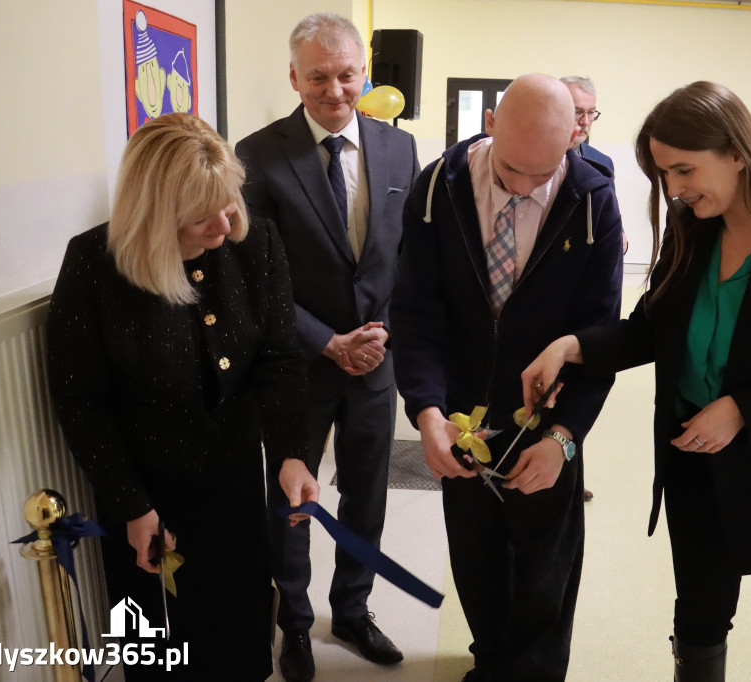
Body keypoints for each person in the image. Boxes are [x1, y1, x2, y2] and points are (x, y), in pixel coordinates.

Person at [521, 81, 751, 681]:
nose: (673, 189)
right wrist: (572, 346)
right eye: (664, 173)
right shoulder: (693, 229)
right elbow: (650, 330)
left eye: (684, 170)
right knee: (698, 612)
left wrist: (743, 408)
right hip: (695, 462)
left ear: (738, 153)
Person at [46, 113, 321, 681]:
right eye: (202, 215)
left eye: (229, 203)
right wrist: (131, 505)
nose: (225, 224)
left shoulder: (256, 242)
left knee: (238, 632)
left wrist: (291, 452)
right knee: (155, 645)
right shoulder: (95, 262)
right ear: (155, 211)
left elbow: (279, 359)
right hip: (143, 488)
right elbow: (80, 400)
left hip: (233, 478)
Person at [391, 73, 623, 682]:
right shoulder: (437, 189)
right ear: (490, 123)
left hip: (547, 422)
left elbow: (600, 336)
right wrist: (427, 412)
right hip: (461, 419)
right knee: (476, 561)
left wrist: (565, 438)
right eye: (511, 170)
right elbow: (415, 314)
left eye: (541, 174)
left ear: (573, 139)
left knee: (547, 571)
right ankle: (490, 664)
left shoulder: (592, 201)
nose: (523, 188)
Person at [235, 12, 419, 681]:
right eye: (318, 77)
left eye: (346, 75)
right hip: (296, 366)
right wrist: (328, 341)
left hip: (375, 360)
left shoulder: (399, 148)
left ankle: (352, 610)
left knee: (367, 495)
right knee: (292, 500)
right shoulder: (258, 154)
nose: (334, 90)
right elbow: (254, 277)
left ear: (363, 73)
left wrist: (380, 333)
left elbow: (408, 256)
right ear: (294, 77)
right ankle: (294, 622)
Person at [561, 74, 624, 503]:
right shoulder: (533, 155)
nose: (584, 121)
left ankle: (570, 468)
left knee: (580, 383)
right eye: (576, 112)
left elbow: (607, 216)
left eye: (590, 113)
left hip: (587, 288)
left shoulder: (600, 163)